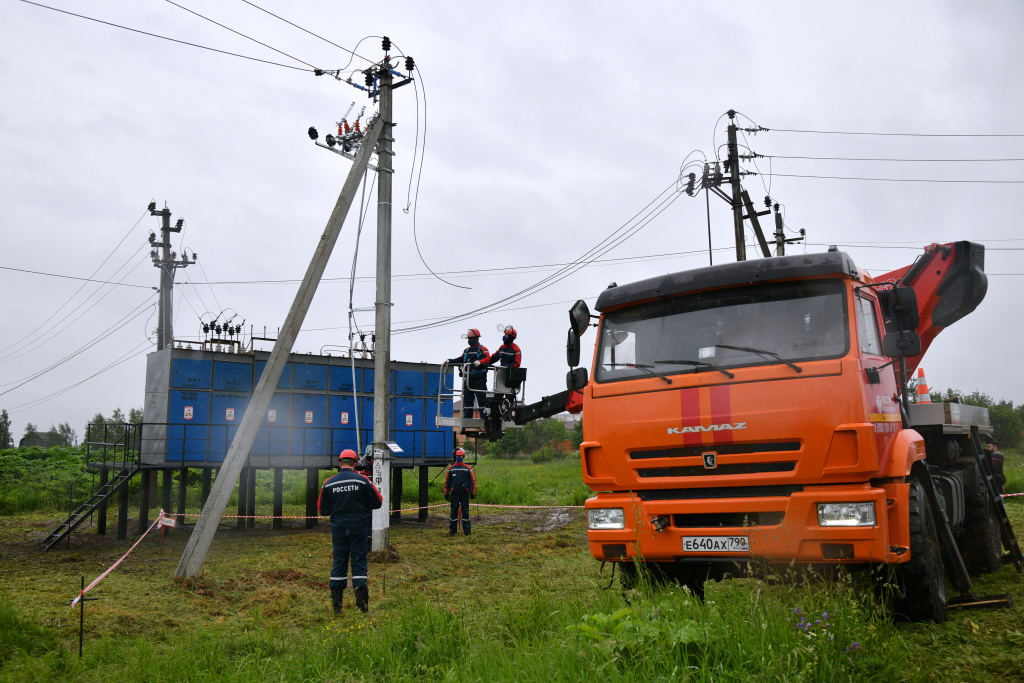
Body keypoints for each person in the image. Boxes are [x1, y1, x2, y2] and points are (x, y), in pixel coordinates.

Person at [318, 449, 383, 615]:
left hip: (339, 528)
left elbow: (322, 509)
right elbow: (378, 501)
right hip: (358, 527)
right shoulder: (362, 480)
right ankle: (362, 608)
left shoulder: (328, 483)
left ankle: (337, 608)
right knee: (359, 561)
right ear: (355, 463)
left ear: (340, 463)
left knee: (339, 561)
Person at [448, 328, 489, 419]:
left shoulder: (483, 349)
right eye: (468, 339)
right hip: (468, 378)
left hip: (479, 378)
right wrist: (449, 361)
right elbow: (460, 359)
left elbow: (488, 359)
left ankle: (484, 418)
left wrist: (480, 362)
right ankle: (467, 418)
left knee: (481, 399)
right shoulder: (466, 351)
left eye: (471, 339)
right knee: (467, 398)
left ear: (476, 338)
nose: (469, 341)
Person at [444, 447, 477, 536]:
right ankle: (452, 530)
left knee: (465, 512)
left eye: (461, 456)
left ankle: (467, 531)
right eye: (458, 456)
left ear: (463, 457)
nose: (459, 458)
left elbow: (472, 481)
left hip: (464, 494)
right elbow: (447, 482)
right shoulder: (451, 469)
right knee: (453, 512)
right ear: (455, 457)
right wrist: (446, 492)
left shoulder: (467, 468)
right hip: (454, 494)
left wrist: (472, 492)